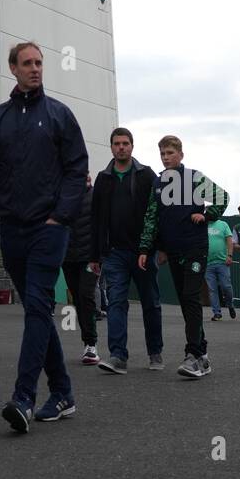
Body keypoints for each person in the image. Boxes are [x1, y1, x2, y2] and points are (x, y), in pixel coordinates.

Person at [0, 42, 88, 430]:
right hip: (13, 228)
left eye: (40, 63)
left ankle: (24, 397)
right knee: (37, 311)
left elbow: (77, 169)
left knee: (39, 305)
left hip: (49, 229)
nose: (36, 69)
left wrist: (61, 216)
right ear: (13, 69)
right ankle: (63, 392)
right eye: (28, 63)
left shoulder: (60, 115)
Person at [138, 135, 228, 378]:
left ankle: (193, 356)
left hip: (195, 248)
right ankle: (203, 355)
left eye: (170, 153)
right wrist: (148, 249)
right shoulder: (158, 183)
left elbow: (223, 197)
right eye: (162, 154)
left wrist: (208, 215)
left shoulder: (194, 177)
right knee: (187, 303)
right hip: (173, 251)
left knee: (190, 297)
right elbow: (152, 218)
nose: (166, 158)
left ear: (181, 154)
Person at [90, 128, 162, 373]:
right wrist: (95, 255)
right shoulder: (103, 178)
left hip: (143, 252)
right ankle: (118, 356)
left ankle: (155, 353)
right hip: (114, 253)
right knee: (116, 303)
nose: (121, 147)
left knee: (150, 303)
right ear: (111, 147)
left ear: (132, 146)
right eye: (117, 143)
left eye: (125, 143)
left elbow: (158, 212)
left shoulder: (147, 175)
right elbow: (96, 219)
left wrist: (158, 248)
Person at [62, 173, 98, 364]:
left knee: (86, 295)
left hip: (90, 258)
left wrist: (99, 255)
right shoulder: (62, 197)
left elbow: (101, 227)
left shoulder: (95, 197)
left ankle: (91, 344)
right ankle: (87, 342)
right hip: (67, 257)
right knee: (77, 298)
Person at [206, 214, 236, 321]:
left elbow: (229, 240)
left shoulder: (223, 224)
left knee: (226, 286)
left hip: (222, 262)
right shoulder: (204, 225)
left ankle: (230, 304)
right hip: (208, 263)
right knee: (212, 289)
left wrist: (230, 255)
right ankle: (217, 313)